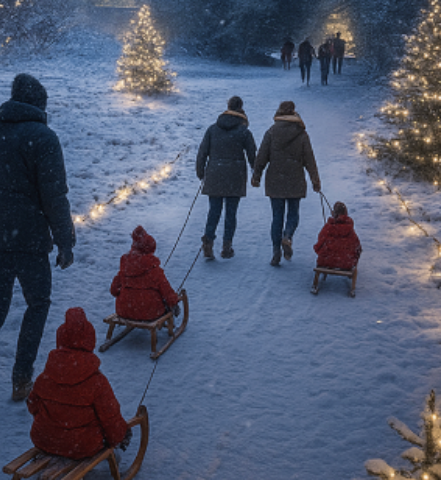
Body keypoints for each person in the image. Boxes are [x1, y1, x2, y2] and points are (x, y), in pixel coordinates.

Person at [0, 73, 76, 416]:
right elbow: (54, 195)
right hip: (29, 240)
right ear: (39, 104)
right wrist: (65, 241)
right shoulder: (44, 138)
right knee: (37, 304)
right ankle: (22, 379)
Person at [27, 307, 131, 460]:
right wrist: (120, 436)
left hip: (44, 440)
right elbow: (110, 416)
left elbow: (32, 405)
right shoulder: (96, 382)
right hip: (82, 445)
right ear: (90, 340)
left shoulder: (45, 377)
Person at [251, 101, 322, 266]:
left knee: (277, 216)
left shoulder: (271, 132)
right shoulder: (302, 134)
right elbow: (309, 160)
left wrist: (256, 175)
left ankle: (276, 251)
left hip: (275, 179)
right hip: (295, 178)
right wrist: (315, 181)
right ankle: (288, 236)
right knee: (293, 213)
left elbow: (262, 156)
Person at [195, 95, 257, 259]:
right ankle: (226, 247)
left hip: (215, 173)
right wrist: (256, 173)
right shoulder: (244, 131)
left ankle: (208, 241)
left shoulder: (212, 129)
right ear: (241, 108)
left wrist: (201, 172)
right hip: (235, 175)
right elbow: (252, 155)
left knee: (214, 210)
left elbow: (202, 152)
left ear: (227, 107)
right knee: (231, 213)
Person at [110, 226, 180, 321]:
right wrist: (174, 302)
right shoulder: (154, 270)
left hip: (124, 310)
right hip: (149, 312)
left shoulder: (125, 267)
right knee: (160, 298)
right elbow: (166, 291)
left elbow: (114, 290)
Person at [314, 201, 361, 270]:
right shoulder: (349, 229)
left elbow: (318, 246)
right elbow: (357, 247)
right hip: (347, 263)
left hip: (326, 261)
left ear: (333, 213)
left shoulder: (328, 227)